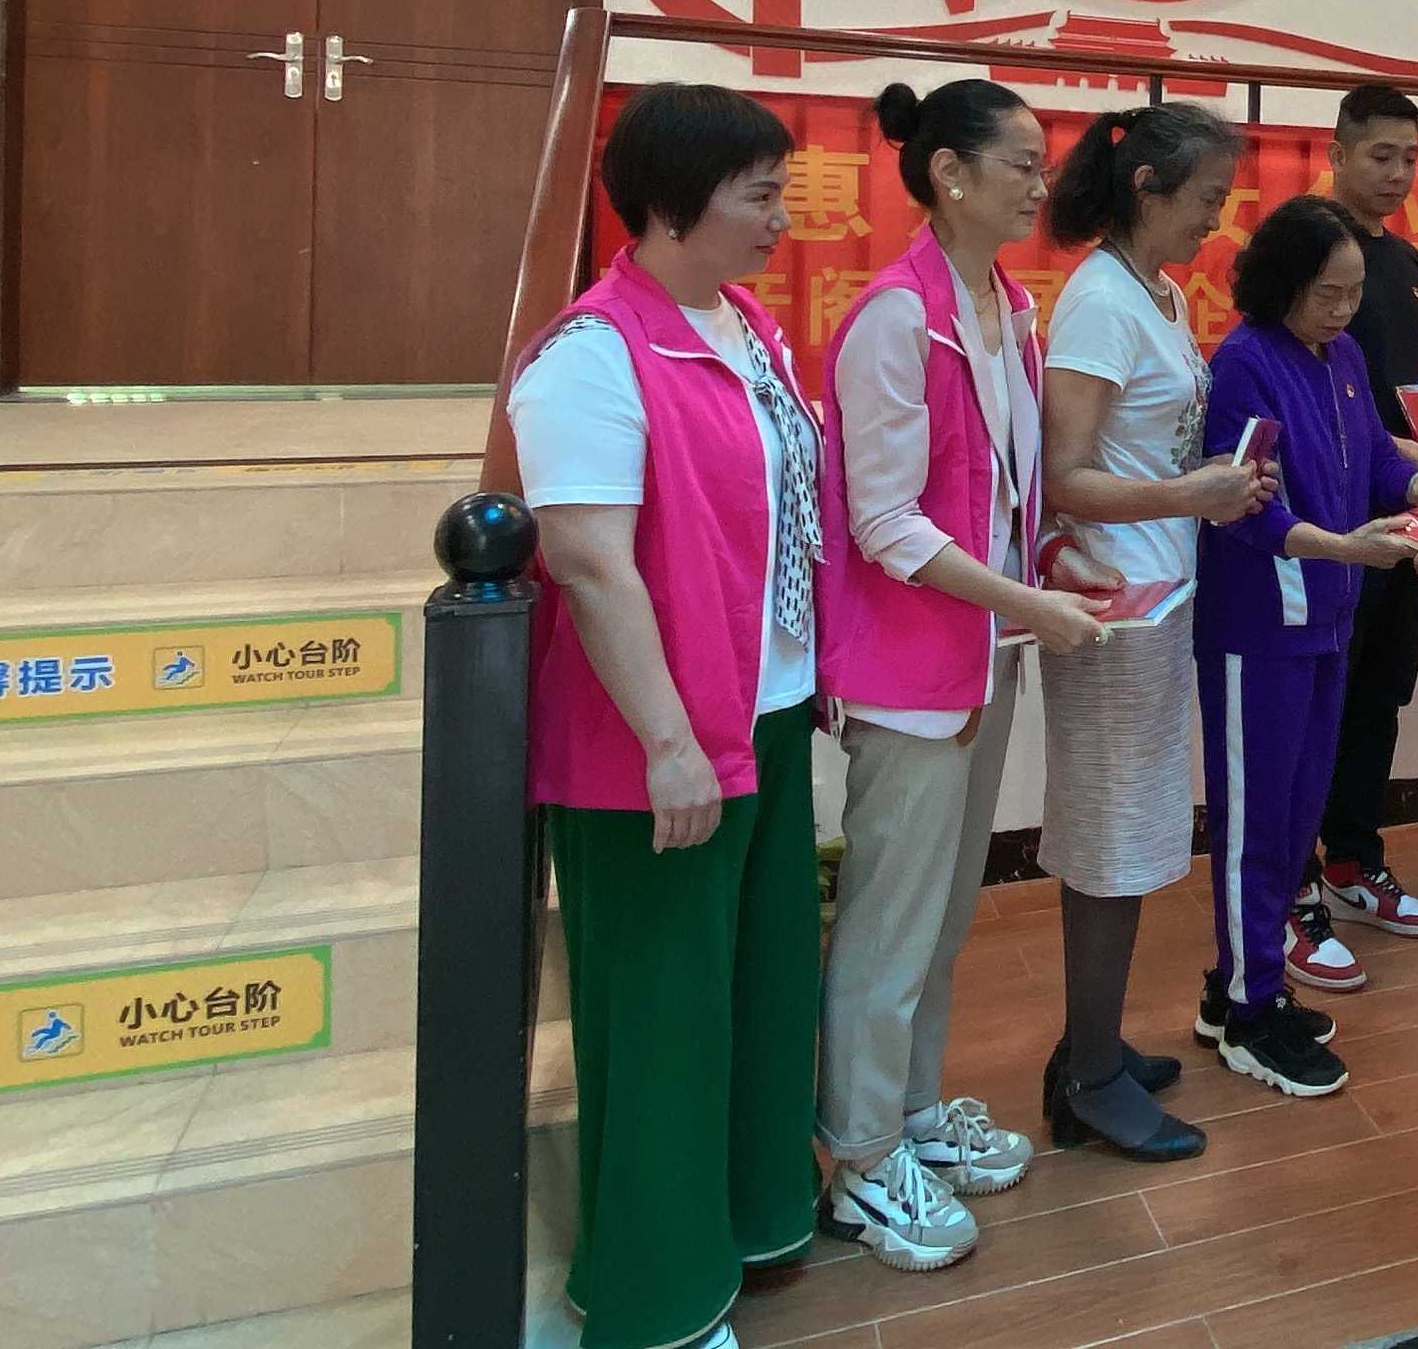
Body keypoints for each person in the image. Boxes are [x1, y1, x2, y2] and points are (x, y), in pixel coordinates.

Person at [510, 82, 824, 1349]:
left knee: (761, 990)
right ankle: (653, 1303)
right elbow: (590, 564)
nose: (784, 219)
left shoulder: (745, 326)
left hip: (767, 716)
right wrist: (669, 742)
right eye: (761, 195)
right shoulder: (590, 354)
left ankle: (751, 1221)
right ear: (672, 205)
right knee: (660, 1028)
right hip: (655, 748)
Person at [814, 79, 1116, 1266]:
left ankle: (908, 1112)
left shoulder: (1012, 308)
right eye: (1023, 165)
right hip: (911, 670)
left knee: (941, 917)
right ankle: (857, 1159)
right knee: (889, 921)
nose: (1043, 186)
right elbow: (884, 521)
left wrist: (1053, 559)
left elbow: (998, 493)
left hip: (985, 652)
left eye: (1044, 165)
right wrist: (1028, 602)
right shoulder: (896, 319)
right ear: (950, 173)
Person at [1196, 197, 1418, 1096]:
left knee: (1297, 816)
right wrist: (1345, 547)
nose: (1345, 310)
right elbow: (1244, 508)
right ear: (1282, 284)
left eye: (1355, 294)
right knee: (1254, 826)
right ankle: (1250, 1014)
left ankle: (1239, 990)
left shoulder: (1343, 356)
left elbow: (1372, 464)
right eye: (1329, 294)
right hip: (1258, 627)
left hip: (1328, 620)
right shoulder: (1245, 363)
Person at [1038, 101, 1272, 1160]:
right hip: (1116, 607)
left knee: (1128, 836)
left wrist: (1204, 484)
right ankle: (1088, 1076)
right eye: (1207, 200)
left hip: (1159, 593)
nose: (1216, 221)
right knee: (1112, 844)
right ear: (1147, 188)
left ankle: (1092, 1046)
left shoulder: (1159, 292)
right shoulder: (1099, 302)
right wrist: (1192, 494)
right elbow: (1067, 476)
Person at [1312, 84, 1418, 944]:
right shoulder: (1306, 247)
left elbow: (1417, 393)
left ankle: (1353, 862)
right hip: (1331, 522)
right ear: (1336, 154)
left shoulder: (1403, 262)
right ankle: (1293, 883)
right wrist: (1386, 450)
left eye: (1410, 157)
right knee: (1319, 702)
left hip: (1409, 512)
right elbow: (1302, 391)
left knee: (1379, 695)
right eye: (1380, 155)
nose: (1398, 173)